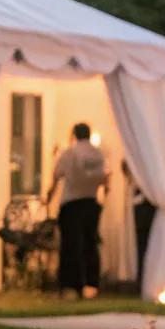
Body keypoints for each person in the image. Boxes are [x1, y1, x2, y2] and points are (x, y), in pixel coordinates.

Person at [46, 123, 108, 298]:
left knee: (70, 245)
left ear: (74, 134)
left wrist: (49, 198)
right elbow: (105, 178)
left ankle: (71, 285)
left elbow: (57, 176)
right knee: (90, 243)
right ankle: (92, 282)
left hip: (72, 202)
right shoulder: (99, 154)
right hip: (91, 202)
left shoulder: (70, 152)